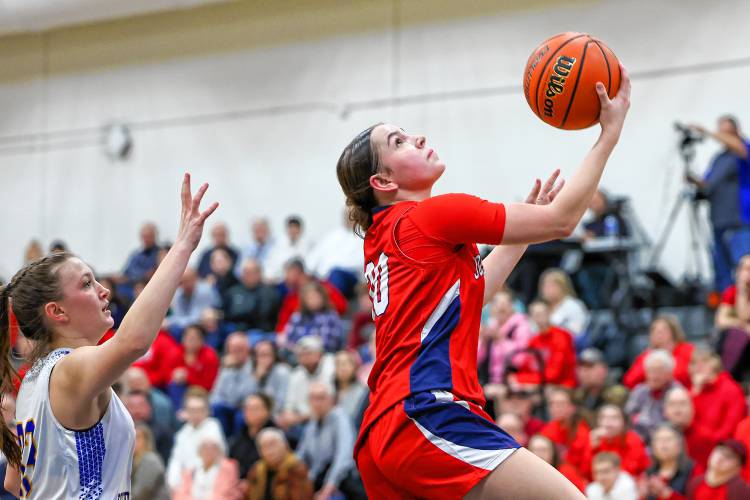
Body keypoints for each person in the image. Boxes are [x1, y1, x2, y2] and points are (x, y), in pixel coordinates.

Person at [336, 69, 629, 499]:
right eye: (397, 142)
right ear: (383, 182)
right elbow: (563, 220)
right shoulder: (430, 216)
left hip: (384, 429)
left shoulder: (388, 234)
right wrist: (608, 135)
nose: (416, 137)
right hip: (426, 412)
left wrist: (523, 234)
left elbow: (468, 297)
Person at [1, 174, 216, 498]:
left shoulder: (32, 380)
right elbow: (133, 341)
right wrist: (183, 246)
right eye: (87, 284)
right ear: (57, 312)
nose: (104, 291)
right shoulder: (68, 367)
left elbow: (13, 484)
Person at [686, 115, 750, 293]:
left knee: (743, 268)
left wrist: (706, 131)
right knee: (722, 272)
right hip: (718, 221)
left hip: (740, 222)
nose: (720, 136)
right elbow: (708, 185)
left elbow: (740, 148)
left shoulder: (743, 150)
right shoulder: (719, 159)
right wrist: (693, 180)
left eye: (725, 132)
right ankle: (727, 308)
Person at [295, 382, 359, 500]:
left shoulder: (340, 419)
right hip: (317, 477)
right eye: (312, 398)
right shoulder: (313, 422)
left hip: (341, 480)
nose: (316, 403)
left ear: (331, 399)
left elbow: (344, 458)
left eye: (321, 398)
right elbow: (301, 453)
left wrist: (328, 488)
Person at [166, 388, 227, 491]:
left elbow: (213, 460)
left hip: (209, 482)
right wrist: (172, 483)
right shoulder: (182, 433)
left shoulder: (213, 426)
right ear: (185, 411)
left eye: (199, 410)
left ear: (207, 410)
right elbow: (176, 460)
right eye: (191, 410)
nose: (195, 414)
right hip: (184, 484)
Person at [514, 299, 577, 388]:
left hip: (562, 386)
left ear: (550, 313)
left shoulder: (562, 337)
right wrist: (520, 379)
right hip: (539, 385)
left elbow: (553, 375)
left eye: (541, 313)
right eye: (535, 314)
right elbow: (525, 369)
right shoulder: (534, 340)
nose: (538, 317)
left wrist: (521, 379)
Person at [689, 348, 745, 446]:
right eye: (694, 363)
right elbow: (686, 422)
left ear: (714, 364)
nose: (698, 367)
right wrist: (695, 392)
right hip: (694, 446)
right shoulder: (693, 390)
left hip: (720, 447)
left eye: (704, 362)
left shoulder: (730, 389)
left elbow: (729, 429)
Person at [477, 289, 533, 387]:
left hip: (514, 382)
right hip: (489, 383)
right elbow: (476, 361)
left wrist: (500, 339)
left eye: (504, 305)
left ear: (512, 306)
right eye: (496, 305)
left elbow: (522, 359)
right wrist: (483, 341)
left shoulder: (521, 325)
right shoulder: (490, 327)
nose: (500, 308)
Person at [623, 315, 694, 389]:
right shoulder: (647, 356)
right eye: (655, 330)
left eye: (664, 330)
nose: (659, 333)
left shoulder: (687, 350)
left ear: (673, 332)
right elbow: (629, 381)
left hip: (683, 394)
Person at [625, 349, 681, 440]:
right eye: (650, 371)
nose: (653, 376)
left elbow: (677, 422)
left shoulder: (676, 392)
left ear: (669, 373)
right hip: (639, 437)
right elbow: (628, 415)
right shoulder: (640, 390)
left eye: (658, 371)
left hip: (666, 438)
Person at [582, 404, 650, 480]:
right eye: (604, 417)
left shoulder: (633, 439)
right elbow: (586, 473)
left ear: (623, 422)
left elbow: (631, 471)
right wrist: (594, 449)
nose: (608, 421)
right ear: (598, 422)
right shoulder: (594, 438)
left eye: (614, 418)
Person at [246, 428, 313, 500]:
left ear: (285, 445)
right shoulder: (256, 471)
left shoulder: (297, 469)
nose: (269, 450)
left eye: (273, 444)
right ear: (260, 452)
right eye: (264, 446)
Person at [663, 386, 715, 474]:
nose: (677, 410)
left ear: (692, 408)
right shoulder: (660, 436)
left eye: (682, 404)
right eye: (672, 404)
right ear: (665, 411)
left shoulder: (704, 437)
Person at [210, 332, 254, 436]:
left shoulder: (253, 366)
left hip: (244, 407)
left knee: (240, 416)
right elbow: (216, 393)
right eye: (233, 350)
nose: (236, 353)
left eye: (240, 349)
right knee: (216, 408)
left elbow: (246, 394)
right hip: (227, 406)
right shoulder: (226, 367)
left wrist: (233, 370)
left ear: (248, 350)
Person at [281, 282, 345, 353]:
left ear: (323, 298)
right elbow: (288, 340)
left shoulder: (331, 316)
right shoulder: (297, 317)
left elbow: (330, 343)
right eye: (309, 298)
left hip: (323, 355)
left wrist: (309, 347)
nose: (313, 300)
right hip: (298, 354)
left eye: (316, 297)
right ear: (303, 300)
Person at [173, 434, 241, 500]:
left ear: (219, 451)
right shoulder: (191, 471)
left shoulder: (228, 469)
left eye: (213, 448)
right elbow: (180, 493)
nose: (209, 451)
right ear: (199, 451)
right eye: (205, 447)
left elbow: (229, 494)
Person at [168, 324, 221, 408]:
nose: (190, 341)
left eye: (194, 338)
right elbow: (166, 374)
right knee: (174, 385)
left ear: (202, 340)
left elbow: (209, 384)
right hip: (181, 390)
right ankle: (179, 413)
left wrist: (187, 377)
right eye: (187, 337)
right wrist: (173, 376)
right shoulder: (176, 352)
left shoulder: (209, 356)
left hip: (203, 391)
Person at [715, 254, 750, 380]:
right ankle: (726, 377)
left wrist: (742, 292)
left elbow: (745, 315)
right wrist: (744, 326)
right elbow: (721, 320)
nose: (746, 273)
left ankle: (727, 378)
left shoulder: (739, 292)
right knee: (735, 334)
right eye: (744, 269)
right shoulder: (732, 292)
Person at [229, 394, 277, 485]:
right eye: (247, 408)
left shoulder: (273, 436)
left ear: (267, 411)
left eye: (255, 408)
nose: (249, 412)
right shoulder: (240, 435)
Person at [224, 259, 281, 332]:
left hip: (260, 332)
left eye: (250, 273)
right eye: (244, 272)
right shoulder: (233, 291)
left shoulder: (270, 293)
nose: (246, 275)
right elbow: (225, 314)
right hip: (234, 330)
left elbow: (266, 317)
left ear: (259, 274)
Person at [573, 347, 628, 423]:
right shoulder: (578, 395)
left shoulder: (616, 394)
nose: (583, 372)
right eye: (581, 367)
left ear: (604, 369)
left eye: (589, 366)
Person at [642, 423, 695, 500]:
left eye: (669, 439)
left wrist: (666, 493)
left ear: (679, 445)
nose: (663, 444)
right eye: (659, 440)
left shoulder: (692, 471)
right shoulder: (648, 473)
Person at [685, 440, 750, 499]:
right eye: (718, 451)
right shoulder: (695, 482)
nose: (720, 457)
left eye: (729, 456)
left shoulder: (740, 491)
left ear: (739, 467)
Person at [539, 268, 590, 338]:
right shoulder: (541, 307)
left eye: (550, 286)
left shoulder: (573, 305)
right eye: (544, 286)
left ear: (562, 287)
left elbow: (578, 333)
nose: (545, 289)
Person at [166, 267, 221, 331]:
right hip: (188, 327)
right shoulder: (178, 293)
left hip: (209, 325)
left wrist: (171, 322)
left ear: (196, 278)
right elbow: (178, 315)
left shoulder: (205, 290)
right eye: (182, 282)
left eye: (189, 280)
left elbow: (197, 318)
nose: (186, 284)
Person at [131, 424, 170, 500]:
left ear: (147, 440)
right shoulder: (133, 461)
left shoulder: (150, 460)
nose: (134, 441)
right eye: (132, 437)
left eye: (138, 437)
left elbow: (141, 492)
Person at [333, 350, 368, 423]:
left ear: (355, 367)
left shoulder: (363, 392)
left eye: (346, 363)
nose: (342, 368)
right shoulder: (330, 391)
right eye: (338, 364)